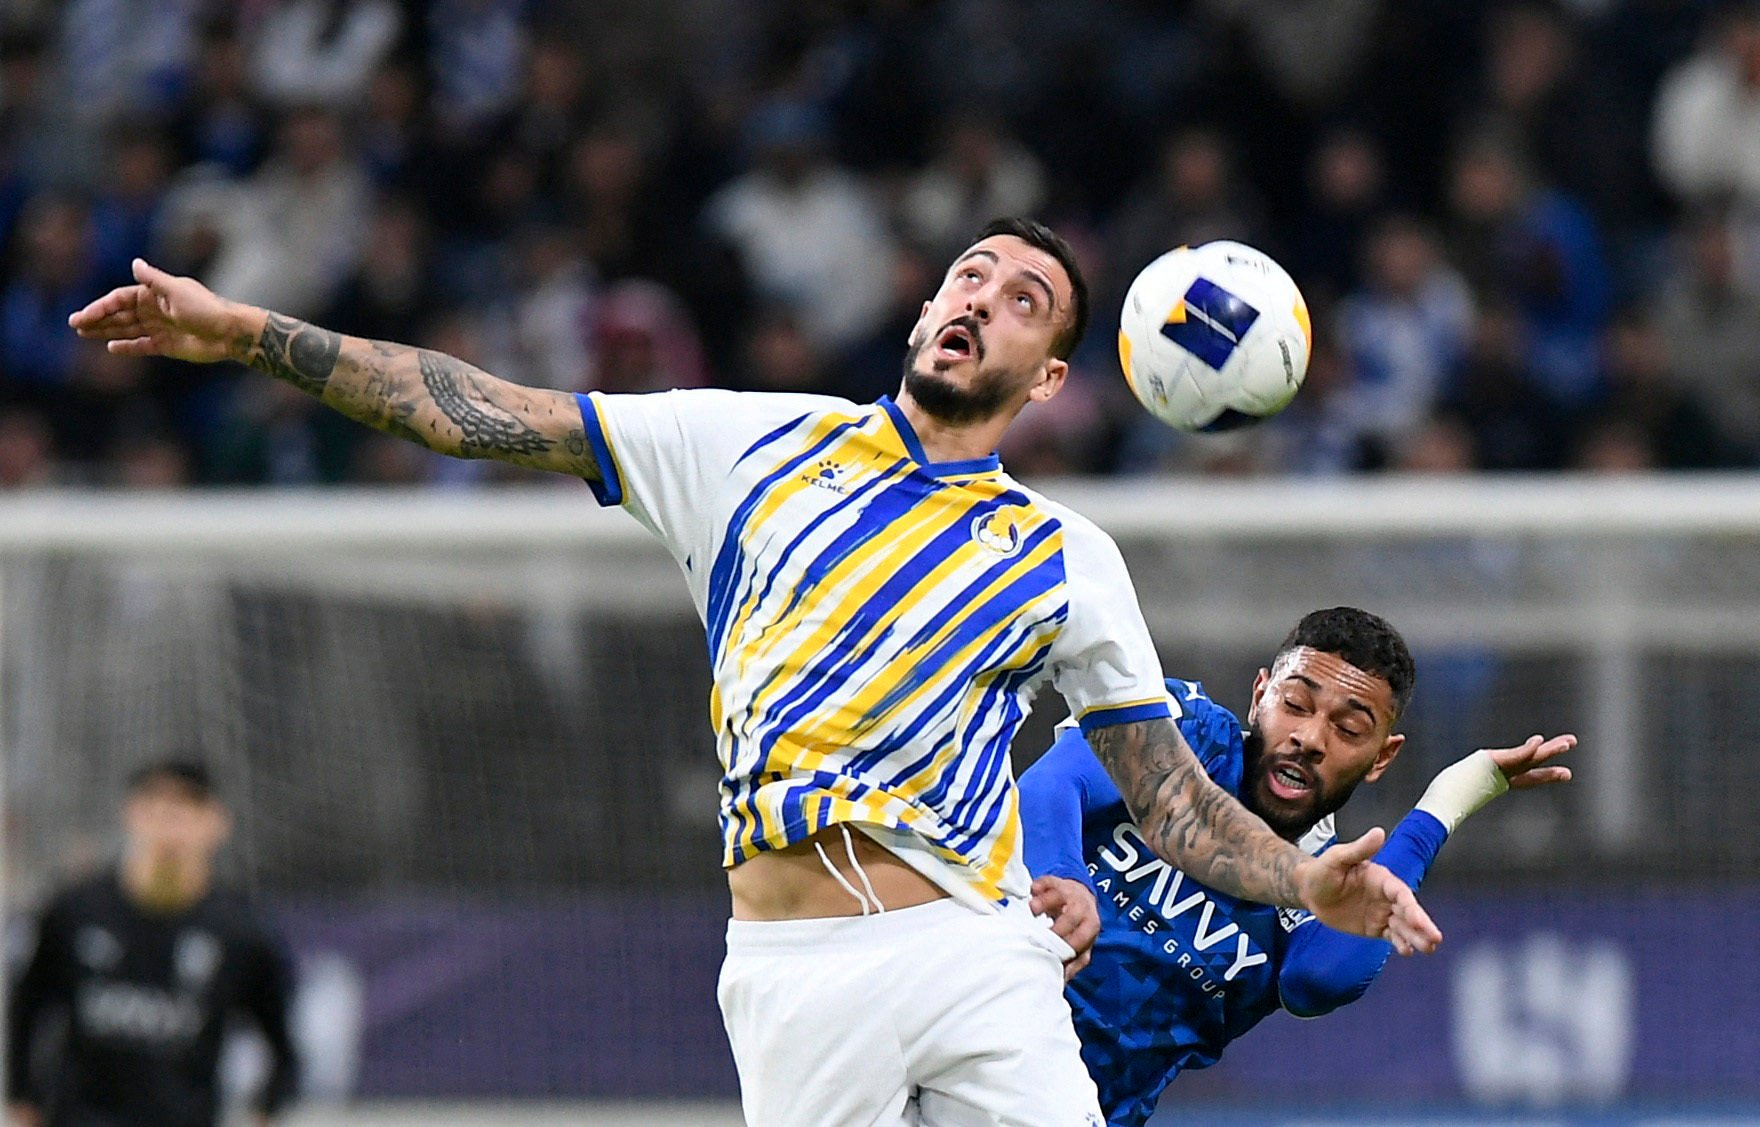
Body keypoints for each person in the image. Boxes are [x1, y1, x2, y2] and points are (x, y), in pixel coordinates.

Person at [69, 219, 1439, 1125]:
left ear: (1053, 373)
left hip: (978, 943)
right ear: (926, 304)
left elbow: (1177, 800)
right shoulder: (745, 446)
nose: (983, 299)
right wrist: (253, 335)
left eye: (1025, 299)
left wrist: (1301, 873)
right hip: (795, 962)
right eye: (971, 273)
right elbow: (487, 412)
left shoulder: (1070, 555)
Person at [1018, 608, 1575, 1127]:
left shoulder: (1321, 884)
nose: (1309, 739)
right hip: (976, 1006)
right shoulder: (1186, 731)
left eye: (1349, 729)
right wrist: (1066, 874)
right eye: (1296, 705)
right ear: (1259, 695)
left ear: (1381, 756)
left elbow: (1318, 982)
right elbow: (1049, 788)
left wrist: (1439, 810)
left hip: (1074, 1111)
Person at [6, 759, 299, 1127]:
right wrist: (22, 1095)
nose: (169, 820)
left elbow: (283, 1043)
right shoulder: (74, 910)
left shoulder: (240, 931)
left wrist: (267, 1109)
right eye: (155, 806)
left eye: (186, 807)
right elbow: (28, 1005)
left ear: (216, 823)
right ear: (131, 815)